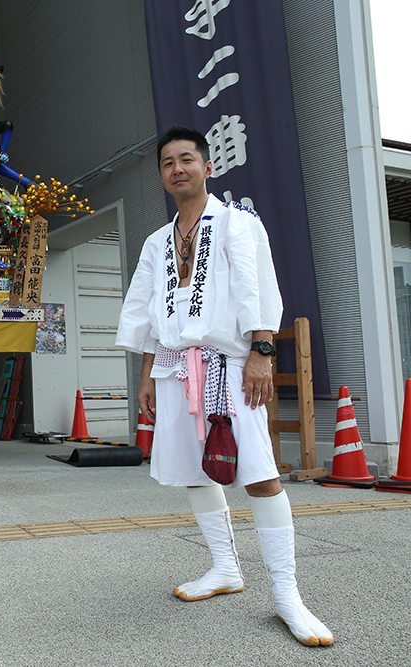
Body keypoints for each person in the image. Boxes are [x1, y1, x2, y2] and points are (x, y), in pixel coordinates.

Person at [115, 125, 333, 646]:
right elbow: (147, 312)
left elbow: (258, 289)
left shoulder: (238, 224)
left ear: (207, 166)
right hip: (171, 368)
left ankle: (287, 596)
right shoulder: (155, 241)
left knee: (257, 472)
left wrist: (261, 353)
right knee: (196, 472)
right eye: (167, 163)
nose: (177, 169)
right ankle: (225, 568)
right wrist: (147, 376)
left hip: (227, 364)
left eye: (186, 159)